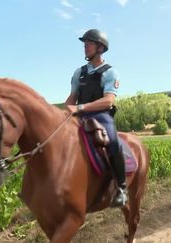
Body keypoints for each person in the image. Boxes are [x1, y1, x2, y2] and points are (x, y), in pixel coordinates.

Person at [65, 29, 127, 207]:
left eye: (89, 43)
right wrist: (62, 112)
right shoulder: (79, 72)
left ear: (100, 47)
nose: (85, 46)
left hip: (101, 116)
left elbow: (108, 100)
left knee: (113, 141)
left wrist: (80, 107)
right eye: (85, 43)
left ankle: (121, 188)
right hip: (79, 115)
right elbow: (71, 98)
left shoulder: (110, 72)